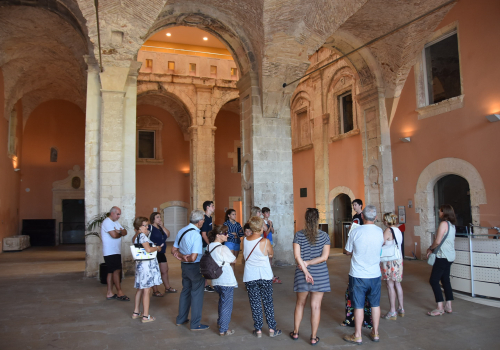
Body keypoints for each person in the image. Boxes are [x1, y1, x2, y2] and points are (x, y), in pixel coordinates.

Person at [343, 205, 384, 345]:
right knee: (375, 304)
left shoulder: (356, 231)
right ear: (376, 217)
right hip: (375, 274)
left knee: (358, 305)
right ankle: (375, 332)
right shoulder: (380, 232)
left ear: (362, 216)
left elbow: (347, 250)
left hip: (358, 274)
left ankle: (358, 335)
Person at [290, 208, 331, 345]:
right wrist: (310, 264)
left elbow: (297, 256)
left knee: (300, 304)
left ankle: (295, 332)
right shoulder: (324, 236)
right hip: (320, 274)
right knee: (316, 307)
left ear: (305, 219)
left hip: (302, 274)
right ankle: (313, 337)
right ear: (318, 219)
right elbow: (324, 257)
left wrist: (306, 268)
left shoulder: (299, 235)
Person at [243, 216, 282, 338]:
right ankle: (271, 329)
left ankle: (258, 330)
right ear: (260, 228)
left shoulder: (244, 240)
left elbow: (244, 255)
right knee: (268, 302)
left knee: (255, 303)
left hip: (250, 275)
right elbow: (271, 254)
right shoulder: (264, 242)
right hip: (264, 275)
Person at [171, 210, 209, 331]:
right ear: (199, 222)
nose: (203, 221)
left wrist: (182, 257)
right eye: (203, 219)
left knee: (185, 291)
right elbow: (193, 258)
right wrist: (186, 257)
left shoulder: (182, 230)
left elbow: (173, 250)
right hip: (195, 267)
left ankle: (181, 319)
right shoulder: (196, 235)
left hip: (184, 266)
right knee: (197, 294)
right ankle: (195, 323)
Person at [341, 198, 372, 329]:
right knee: (368, 295)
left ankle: (354, 322)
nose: (354, 206)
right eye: (352, 205)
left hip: (358, 268)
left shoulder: (361, 220)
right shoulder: (356, 218)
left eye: (355, 205)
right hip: (369, 268)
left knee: (354, 293)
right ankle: (369, 323)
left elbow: (347, 250)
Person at [207, 225, 238, 336]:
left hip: (215, 280)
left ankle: (221, 323)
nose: (227, 235)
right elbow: (234, 260)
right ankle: (224, 329)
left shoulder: (209, 246)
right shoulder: (223, 248)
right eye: (225, 233)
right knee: (227, 305)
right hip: (226, 280)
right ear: (218, 235)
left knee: (222, 302)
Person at [427, 204, 456, 316]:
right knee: (445, 280)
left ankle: (439, 307)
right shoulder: (452, 225)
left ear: (444, 212)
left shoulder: (443, 224)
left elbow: (438, 241)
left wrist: (430, 248)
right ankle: (448, 305)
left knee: (433, 280)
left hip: (442, 256)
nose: (439, 213)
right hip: (450, 256)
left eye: (440, 211)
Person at [131, 217, 162, 323]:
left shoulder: (136, 236)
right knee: (147, 290)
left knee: (140, 288)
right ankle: (145, 316)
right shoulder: (143, 236)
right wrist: (157, 248)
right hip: (146, 267)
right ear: (140, 226)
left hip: (140, 265)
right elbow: (148, 249)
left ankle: (136, 312)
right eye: (145, 225)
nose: (148, 227)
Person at [101, 206, 130, 301]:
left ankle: (109, 292)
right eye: (117, 214)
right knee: (116, 271)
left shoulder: (115, 222)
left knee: (110, 271)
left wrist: (120, 232)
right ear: (112, 213)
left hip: (115, 251)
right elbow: (114, 235)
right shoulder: (107, 222)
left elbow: (125, 231)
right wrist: (119, 233)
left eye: (119, 214)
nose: (119, 216)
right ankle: (119, 292)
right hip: (110, 252)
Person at [380, 213, 404, 320]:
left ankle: (392, 311)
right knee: (397, 284)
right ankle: (401, 308)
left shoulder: (388, 230)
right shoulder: (398, 230)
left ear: (387, 220)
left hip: (390, 260)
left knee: (390, 285)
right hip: (398, 259)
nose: (383, 221)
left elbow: (381, 243)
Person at [149, 212, 177, 297]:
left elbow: (168, 235)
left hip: (161, 252)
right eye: (157, 217)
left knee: (164, 270)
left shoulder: (160, 228)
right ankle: (155, 290)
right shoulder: (150, 227)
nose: (159, 219)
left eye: (160, 217)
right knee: (154, 271)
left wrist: (162, 226)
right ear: (153, 219)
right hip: (154, 252)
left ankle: (167, 287)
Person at [262, 207, 281, 284]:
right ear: (263, 214)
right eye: (266, 213)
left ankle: (270, 273)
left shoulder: (270, 221)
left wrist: (271, 225)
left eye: (269, 213)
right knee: (266, 258)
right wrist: (269, 226)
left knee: (270, 258)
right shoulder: (262, 221)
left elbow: (272, 232)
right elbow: (266, 232)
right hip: (265, 241)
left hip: (271, 241)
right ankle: (267, 274)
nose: (268, 214)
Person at [201, 201, 215, 293]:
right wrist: (209, 245)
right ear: (207, 207)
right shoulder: (205, 218)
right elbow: (203, 234)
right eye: (212, 206)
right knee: (205, 265)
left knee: (208, 265)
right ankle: (205, 285)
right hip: (204, 245)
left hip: (208, 244)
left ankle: (206, 284)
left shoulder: (210, 218)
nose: (214, 207)